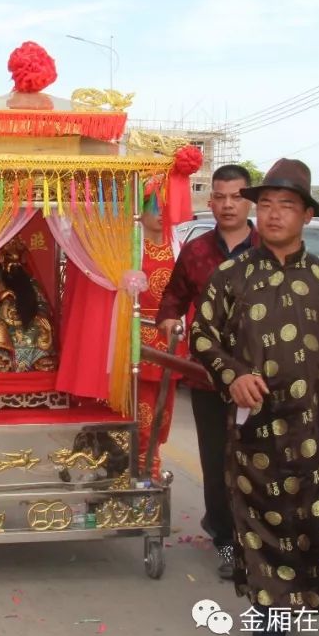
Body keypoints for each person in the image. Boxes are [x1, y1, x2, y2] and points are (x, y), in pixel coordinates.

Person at [191, 158, 319, 636]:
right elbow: (202, 335)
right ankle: (270, 621)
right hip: (258, 430)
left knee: (317, 520)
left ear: (306, 216)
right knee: (262, 522)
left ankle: (309, 605)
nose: (273, 215)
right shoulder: (232, 276)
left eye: (286, 206)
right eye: (266, 205)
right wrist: (233, 375)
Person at [156, 164, 257, 579]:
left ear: (250, 199)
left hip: (259, 379)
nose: (228, 204)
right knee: (216, 463)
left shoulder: (268, 248)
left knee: (256, 463)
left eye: (236, 196)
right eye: (220, 196)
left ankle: (257, 541)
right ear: (210, 200)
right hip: (208, 376)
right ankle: (226, 539)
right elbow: (173, 296)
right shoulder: (196, 251)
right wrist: (168, 319)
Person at [137, 184, 185, 480]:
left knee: (164, 406)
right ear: (139, 212)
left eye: (163, 208)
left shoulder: (176, 245)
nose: (159, 215)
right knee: (141, 405)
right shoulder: (133, 245)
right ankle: (141, 460)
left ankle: (153, 456)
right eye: (153, 207)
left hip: (170, 337)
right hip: (141, 335)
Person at [0, 234, 57, 373]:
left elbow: (43, 304)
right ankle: (1, 360)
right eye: (10, 263)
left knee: (42, 327)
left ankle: (40, 360)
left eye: (17, 264)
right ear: (2, 260)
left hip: (26, 322)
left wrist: (41, 315)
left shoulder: (30, 282)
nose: (14, 267)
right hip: (2, 321)